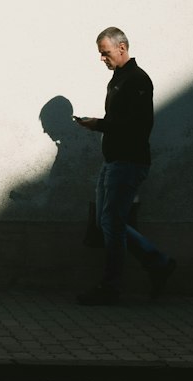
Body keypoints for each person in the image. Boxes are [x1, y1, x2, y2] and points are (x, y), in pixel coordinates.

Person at [74, 27, 176, 305]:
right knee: (107, 221)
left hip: (128, 162)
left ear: (122, 48)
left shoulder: (137, 80)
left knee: (112, 222)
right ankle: (157, 264)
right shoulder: (119, 79)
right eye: (100, 54)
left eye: (105, 53)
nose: (102, 58)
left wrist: (98, 125)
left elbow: (139, 125)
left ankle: (115, 285)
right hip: (114, 161)